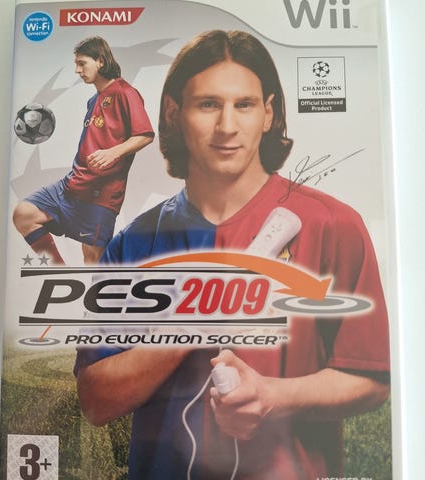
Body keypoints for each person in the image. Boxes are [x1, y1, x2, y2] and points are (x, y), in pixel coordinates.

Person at [74, 30, 390, 479]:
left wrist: (274, 396)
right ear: (174, 113)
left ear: (268, 113)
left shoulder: (333, 224)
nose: (227, 126)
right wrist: (191, 323)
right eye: (208, 104)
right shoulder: (133, 244)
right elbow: (95, 400)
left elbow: (372, 380)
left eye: (244, 104)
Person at [13, 36, 154, 264]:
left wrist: (113, 152)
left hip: (101, 194)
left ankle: (93, 288)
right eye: (76, 64)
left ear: (100, 61)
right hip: (72, 185)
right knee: (24, 214)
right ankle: (59, 275)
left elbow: (145, 134)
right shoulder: (93, 100)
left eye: (82, 63)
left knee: (92, 260)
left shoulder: (125, 92)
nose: (77, 70)